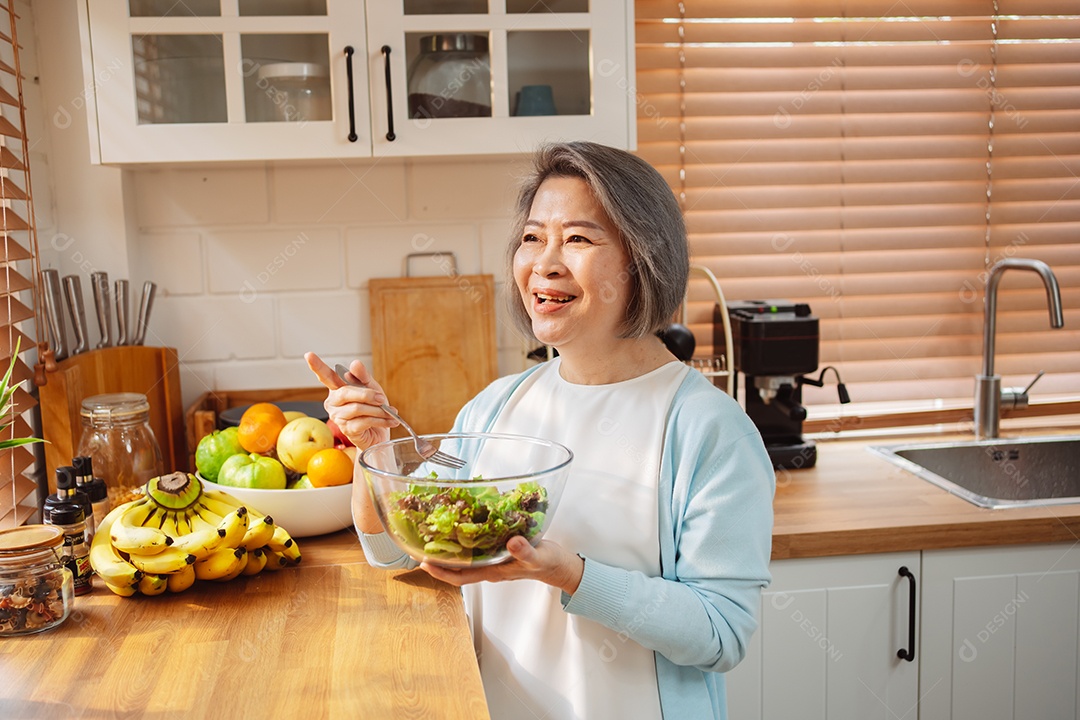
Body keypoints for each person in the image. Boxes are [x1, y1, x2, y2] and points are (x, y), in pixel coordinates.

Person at [305, 141, 775, 720]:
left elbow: (721, 633)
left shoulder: (709, 430)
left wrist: (571, 574)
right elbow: (395, 556)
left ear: (643, 259)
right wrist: (377, 454)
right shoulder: (496, 408)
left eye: (577, 238)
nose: (544, 263)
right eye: (533, 237)